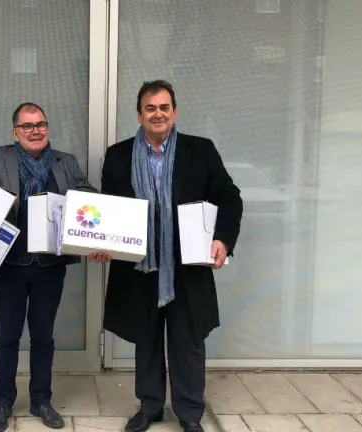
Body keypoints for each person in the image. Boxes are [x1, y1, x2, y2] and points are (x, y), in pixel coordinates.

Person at [90, 80, 243, 432]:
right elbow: (109, 208)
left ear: (174, 112)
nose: (157, 114)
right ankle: (150, 407)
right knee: (146, 341)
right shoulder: (118, 155)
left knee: (187, 342)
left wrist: (222, 239)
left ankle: (189, 414)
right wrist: (101, 242)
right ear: (139, 115)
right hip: (139, 266)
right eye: (150, 108)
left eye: (163, 107)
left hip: (186, 266)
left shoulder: (200, 150)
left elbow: (229, 197)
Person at [0, 102, 98, 432]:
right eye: (27, 126)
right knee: (8, 335)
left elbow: (88, 200)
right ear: (15, 133)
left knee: (43, 336)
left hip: (50, 265)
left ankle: (42, 400)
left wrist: (103, 234)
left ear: (47, 128)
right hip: (9, 265)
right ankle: (3, 401)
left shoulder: (66, 162)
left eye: (40, 125)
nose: (35, 131)